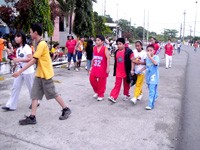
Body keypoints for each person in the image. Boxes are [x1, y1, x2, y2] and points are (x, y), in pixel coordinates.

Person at [13, 23, 71, 125]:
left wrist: (19, 71)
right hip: (39, 74)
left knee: (53, 93)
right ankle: (32, 117)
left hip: (46, 74)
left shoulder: (42, 44)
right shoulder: (38, 43)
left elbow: (33, 60)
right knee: (35, 95)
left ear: (35, 32)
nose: (30, 34)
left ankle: (66, 109)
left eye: (31, 32)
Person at [2, 31, 35, 111]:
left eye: (18, 36)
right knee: (15, 87)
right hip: (20, 70)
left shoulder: (27, 47)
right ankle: (11, 105)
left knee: (31, 88)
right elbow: (18, 60)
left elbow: (31, 59)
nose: (16, 38)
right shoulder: (18, 49)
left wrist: (19, 59)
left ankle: (34, 102)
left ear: (22, 38)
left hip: (28, 71)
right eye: (15, 37)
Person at [108, 38, 134, 103]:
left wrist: (132, 70)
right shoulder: (116, 52)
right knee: (117, 84)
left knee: (126, 84)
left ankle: (126, 94)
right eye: (117, 44)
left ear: (124, 44)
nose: (119, 46)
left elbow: (133, 60)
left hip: (126, 70)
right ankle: (113, 96)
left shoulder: (129, 51)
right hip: (118, 71)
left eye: (120, 44)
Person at [90, 35, 110, 101]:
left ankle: (101, 94)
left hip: (102, 68)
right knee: (92, 79)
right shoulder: (94, 48)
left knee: (102, 82)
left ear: (102, 41)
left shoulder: (105, 49)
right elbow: (94, 57)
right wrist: (91, 64)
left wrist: (108, 67)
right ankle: (97, 91)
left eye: (98, 40)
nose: (96, 41)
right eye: (96, 40)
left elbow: (108, 58)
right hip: (95, 67)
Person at [145, 45, 159, 110]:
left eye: (151, 50)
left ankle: (151, 104)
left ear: (154, 51)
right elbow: (146, 66)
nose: (149, 52)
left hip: (154, 77)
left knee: (151, 91)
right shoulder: (146, 58)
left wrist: (150, 57)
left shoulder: (156, 57)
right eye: (148, 50)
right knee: (151, 89)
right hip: (148, 77)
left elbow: (156, 63)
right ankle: (156, 95)